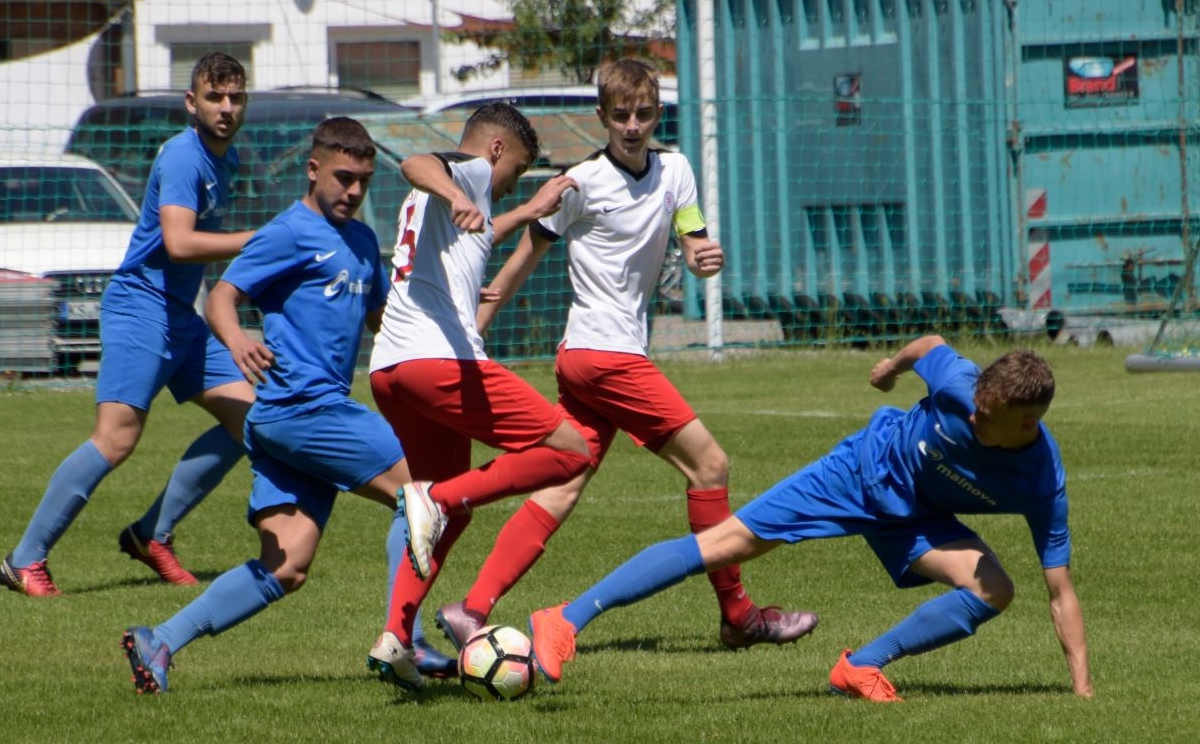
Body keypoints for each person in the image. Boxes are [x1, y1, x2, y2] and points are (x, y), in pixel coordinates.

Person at [432, 58, 814, 653]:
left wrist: (702, 259)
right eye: (620, 116)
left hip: (594, 359)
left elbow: (693, 240)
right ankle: (738, 614)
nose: (632, 126)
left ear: (657, 114)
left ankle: (471, 607)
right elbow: (522, 260)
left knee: (563, 482)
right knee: (710, 467)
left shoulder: (676, 169)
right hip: (602, 355)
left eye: (643, 114)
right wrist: (469, 337)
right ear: (601, 117)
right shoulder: (580, 182)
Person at [529, 337, 1094, 703]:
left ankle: (861, 667)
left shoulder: (1041, 481)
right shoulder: (962, 386)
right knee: (725, 545)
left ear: (1026, 423)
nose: (972, 415)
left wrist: (1083, 692)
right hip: (860, 471)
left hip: (917, 516)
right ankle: (564, 620)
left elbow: (1060, 590)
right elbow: (930, 347)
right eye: (975, 404)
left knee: (994, 588)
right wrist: (890, 369)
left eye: (986, 416)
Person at [122, 116, 441, 694]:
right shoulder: (288, 232)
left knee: (287, 566)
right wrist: (237, 340)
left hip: (285, 424)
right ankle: (408, 637)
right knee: (420, 497)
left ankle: (160, 639)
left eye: (364, 181)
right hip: (303, 409)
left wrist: (451, 314)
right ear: (313, 169)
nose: (354, 191)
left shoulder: (362, 241)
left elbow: (385, 322)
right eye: (343, 177)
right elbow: (222, 297)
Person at [0, 52, 257, 596]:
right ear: (192, 103)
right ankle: (24, 559)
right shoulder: (184, 157)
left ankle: (151, 535)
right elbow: (179, 243)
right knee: (115, 439)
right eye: (214, 97)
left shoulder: (226, 158)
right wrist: (256, 241)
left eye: (235, 97)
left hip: (179, 316)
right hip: (141, 310)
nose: (226, 107)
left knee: (251, 420)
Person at [367, 103, 595, 691]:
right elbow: (415, 162)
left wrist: (526, 210)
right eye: (514, 173)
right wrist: (459, 192)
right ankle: (434, 496)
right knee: (571, 451)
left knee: (453, 518)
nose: (508, 185)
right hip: (439, 363)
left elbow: (474, 231)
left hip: (391, 370)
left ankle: (396, 636)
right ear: (495, 150)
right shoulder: (466, 172)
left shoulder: (443, 205)